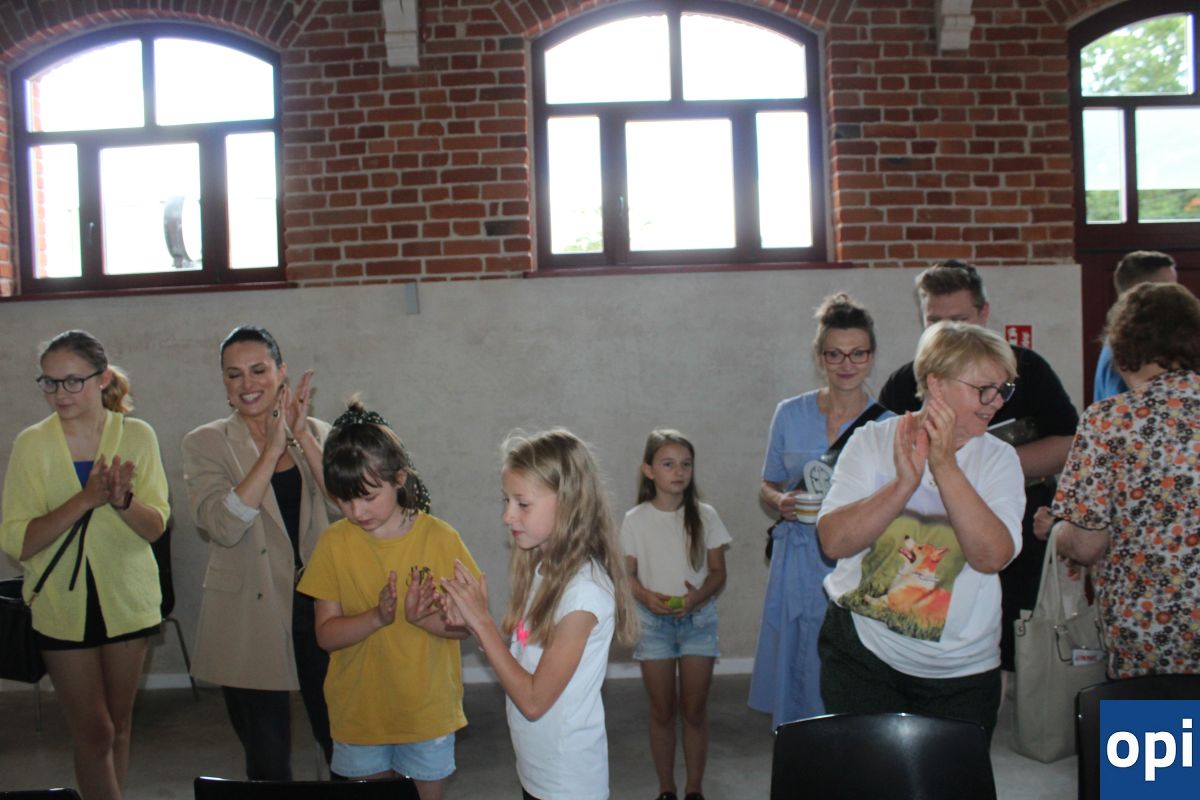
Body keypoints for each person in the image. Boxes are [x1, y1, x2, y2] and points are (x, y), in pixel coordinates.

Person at [818, 321, 1025, 740]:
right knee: (865, 773)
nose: (996, 402)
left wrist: (944, 464)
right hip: (864, 655)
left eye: (1003, 389)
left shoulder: (999, 460)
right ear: (936, 383)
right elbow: (834, 542)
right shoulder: (872, 441)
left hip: (963, 671)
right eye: (983, 389)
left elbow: (991, 557)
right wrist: (902, 486)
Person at [877, 261, 1077, 678]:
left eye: (959, 319)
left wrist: (986, 465)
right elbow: (882, 466)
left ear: (984, 314)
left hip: (1019, 530)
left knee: (1015, 648)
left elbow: (1069, 444)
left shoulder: (1027, 370)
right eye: (935, 321)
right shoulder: (903, 383)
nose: (947, 332)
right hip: (928, 544)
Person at [1, 330, 170, 800]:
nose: (61, 394)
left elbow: (156, 527)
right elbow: (17, 540)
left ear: (102, 379)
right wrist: (85, 499)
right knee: (94, 732)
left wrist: (122, 501)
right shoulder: (32, 444)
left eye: (73, 381)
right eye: (50, 382)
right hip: (60, 605)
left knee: (119, 725)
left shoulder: (137, 435)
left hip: (128, 600)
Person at [440, 429, 637, 800]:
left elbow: (533, 701)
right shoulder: (544, 568)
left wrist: (483, 623)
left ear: (568, 503)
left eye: (522, 503)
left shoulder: (584, 594)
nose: (507, 515)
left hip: (568, 782)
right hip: (537, 767)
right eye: (506, 500)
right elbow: (524, 660)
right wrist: (475, 626)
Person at [297, 401, 476, 800]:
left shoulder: (441, 539)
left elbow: (467, 626)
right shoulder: (333, 544)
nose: (357, 511)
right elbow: (326, 636)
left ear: (399, 478)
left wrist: (424, 620)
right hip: (359, 713)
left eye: (368, 497)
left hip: (426, 712)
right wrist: (377, 617)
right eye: (345, 500)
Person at [181, 325, 335, 780]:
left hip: (322, 607)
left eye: (258, 370)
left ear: (281, 372)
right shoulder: (204, 442)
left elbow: (349, 507)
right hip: (248, 611)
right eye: (234, 375)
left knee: (344, 744)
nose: (247, 384)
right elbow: (221, 526)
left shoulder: (319, 433)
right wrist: (270, 452)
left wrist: (302, 438)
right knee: (267, 760)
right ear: (224, 384)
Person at [1034, 283, 1200, 677]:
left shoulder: (1109, 421)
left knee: (1152, 721)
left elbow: (1087, 544)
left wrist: (1055, 532)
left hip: (1147, 639)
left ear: (1121, 349)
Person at [748, 292, 888, 729]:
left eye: (857, 353)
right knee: (797, 663)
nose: (847, 364)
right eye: (835, 354)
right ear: (819, 356)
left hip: (856, 561)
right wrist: (780, 501)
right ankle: (801, 747)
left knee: (850, 665)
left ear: (871, 356)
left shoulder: (889, 426)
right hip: (796, 559)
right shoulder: (789, 414)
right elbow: (768, 483)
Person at [621, 429, 731, 800]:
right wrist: (645, 596)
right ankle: (666, 788)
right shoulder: (635, 519)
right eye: (668, 464)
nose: (678, 472)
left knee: (694, 710)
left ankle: (694, 788)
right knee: (662, 711)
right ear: (648, 471)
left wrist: (697, 597)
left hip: (699, 622)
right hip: (653, 625)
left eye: (685, 464)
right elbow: (626, 574)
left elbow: (718, 572)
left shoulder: (706, 516)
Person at [1092, 250, 1178, 402]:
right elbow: (1125, 408)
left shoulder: (1126, 341)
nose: (1178, 297)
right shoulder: (1129, 349)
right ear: (1142, 293)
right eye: (1170, 289)